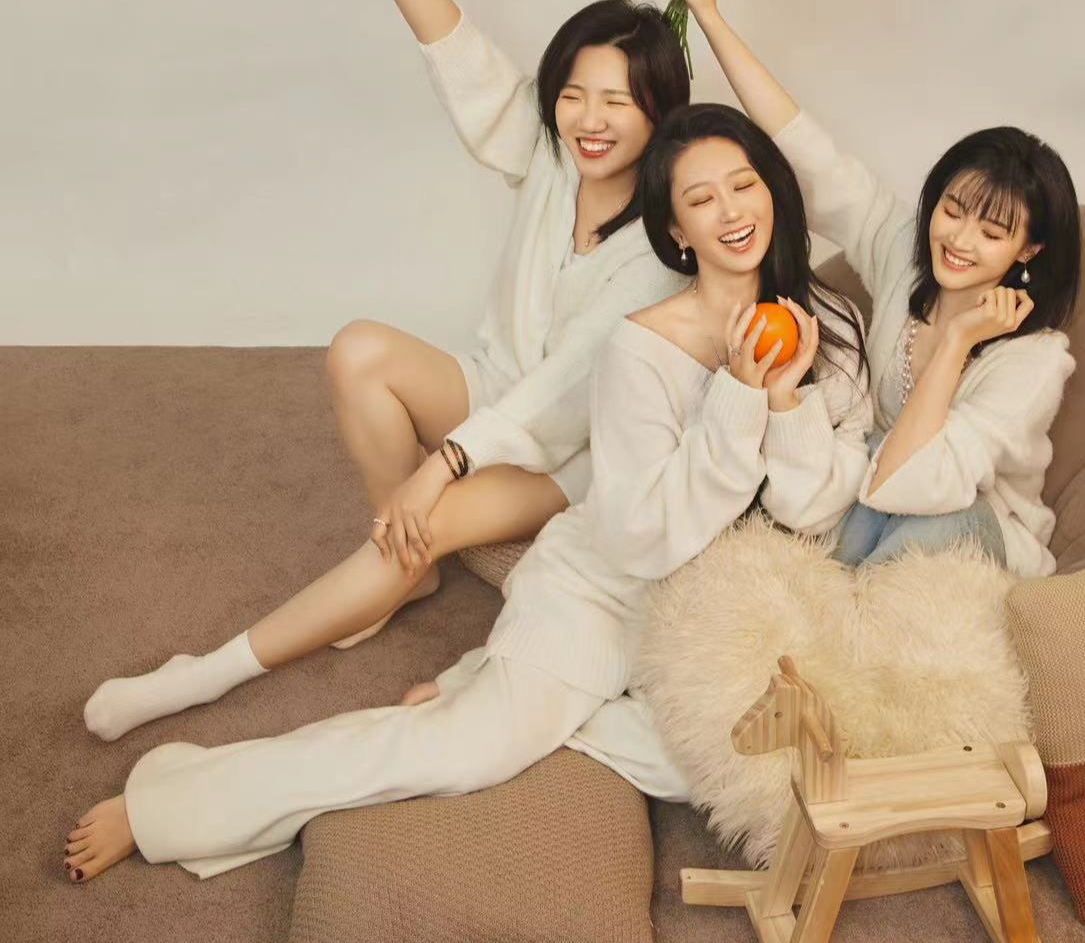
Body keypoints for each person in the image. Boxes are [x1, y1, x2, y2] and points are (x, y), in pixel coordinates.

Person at [62, 103, 873, 883]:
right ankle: (167, 805)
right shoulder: (640, 349)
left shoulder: (831, 324)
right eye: (701, 198)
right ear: (676, 231)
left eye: (744, 185)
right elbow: (641, 538)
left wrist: (784, 404)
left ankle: (493, 693)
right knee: (468, 753)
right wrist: (736, 398)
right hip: (611, 592)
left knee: (746, 763)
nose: (731, 211)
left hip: (723, 617)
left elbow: (817, 513)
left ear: (773, 190)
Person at [80, 0, 691, 748]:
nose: (590, 119)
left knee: (420, 518)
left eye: (618, 100)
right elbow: (460, 53)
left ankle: (204, 675)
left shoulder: (658, 251)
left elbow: (557, 401)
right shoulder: (552, 157)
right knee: (358, 349)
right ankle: (411, 570)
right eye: (575, 94)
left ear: (661, 110)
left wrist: (437, 472)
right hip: (493, 389)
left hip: (563, 458)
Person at [674, 0, 1082, 577]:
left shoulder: (1036, 360)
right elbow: (806, 152)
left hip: (970, 531)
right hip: (869, 502)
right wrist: (708, 13)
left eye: (992, 231)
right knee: (789, 509)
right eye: (952, 210)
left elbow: (909, 482)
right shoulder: (902, 253)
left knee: (927, 520)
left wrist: (957, 342)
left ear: (1028, 250)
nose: (960, 240)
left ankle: (836, 625)